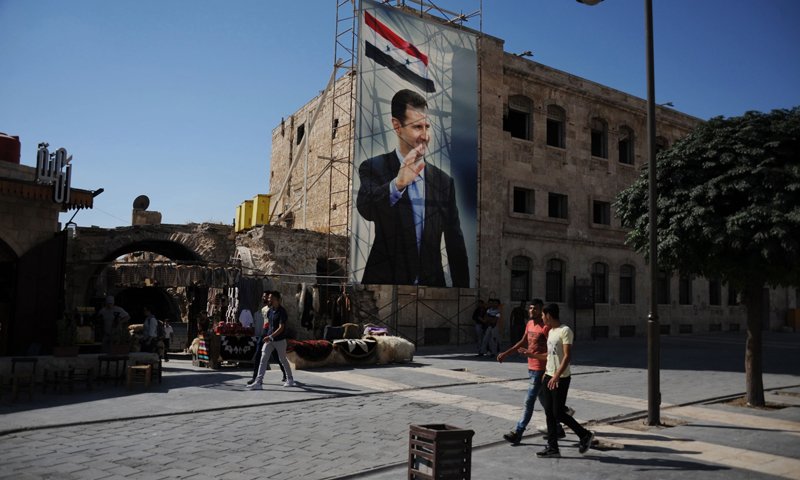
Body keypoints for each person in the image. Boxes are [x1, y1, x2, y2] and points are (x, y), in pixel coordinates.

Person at [356, 88, 469, 287]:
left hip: (433, 289)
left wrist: (463, 293)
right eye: (417, 127)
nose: (425, 136)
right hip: (384, 286)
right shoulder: (374, 167)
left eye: (427, 127)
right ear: (397, 126)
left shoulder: (444, 181)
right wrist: (398, 184)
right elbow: (366, 208)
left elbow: (455, 243)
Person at [537, 303, 595, 458]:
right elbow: (551, 355)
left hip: (561, 378)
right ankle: (552, 448)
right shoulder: (551, 332)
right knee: (549, 413)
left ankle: (584, 435)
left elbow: (567, 356)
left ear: (548, 315)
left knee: (558, 413)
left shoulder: (565, 330)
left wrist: (556, 375)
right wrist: (546, 372)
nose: (542, 318)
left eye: (543, 315)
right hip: (549, 376)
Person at [497, 299, 548, 444]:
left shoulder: (546, 327)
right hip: (531, 368)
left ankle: (518, 432)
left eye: (536, 309)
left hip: (541, 369)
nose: (532, 311)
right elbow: (523, 341)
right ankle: (558, 427)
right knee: (545, 402)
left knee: (529, 401)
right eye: (531, 308)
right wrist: (506, 353)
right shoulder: (530, 324)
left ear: (542, 310)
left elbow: (552, 351)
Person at [247, 291, 294, 389]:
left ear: (276, 299)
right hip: (269, 339)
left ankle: (290, 379)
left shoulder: (282, 312)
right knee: (263, 359)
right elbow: (269, 325)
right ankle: (258, 382)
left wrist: (271, 336)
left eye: (270, 298)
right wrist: (266, 335)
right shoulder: (270, 311)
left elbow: (281, 328)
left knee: (283, 360)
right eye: (268, 298)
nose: (268, 300)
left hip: (280, 340)